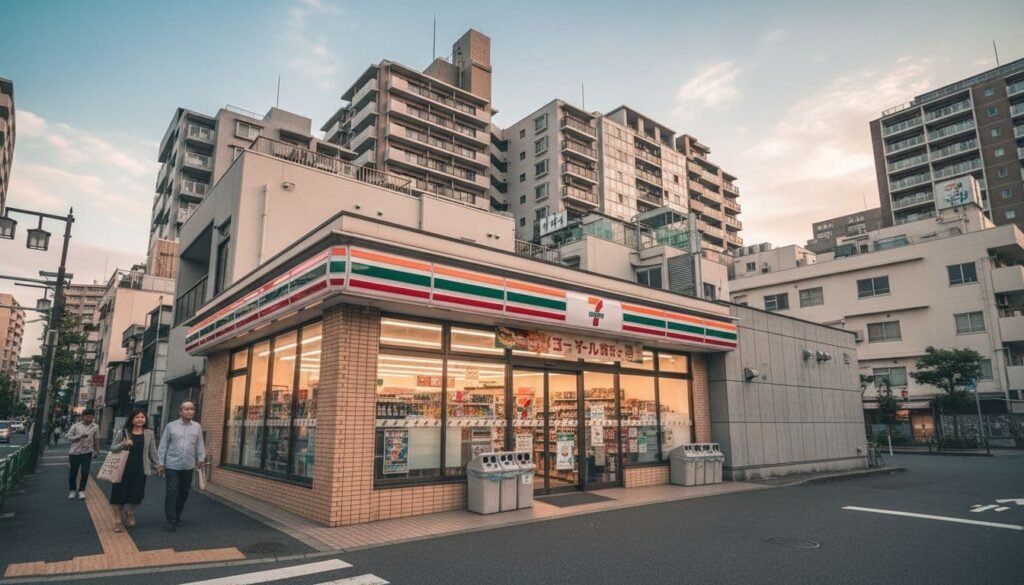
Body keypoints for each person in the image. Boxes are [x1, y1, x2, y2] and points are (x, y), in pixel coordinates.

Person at [156, 401, 206, 532]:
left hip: (188, 466)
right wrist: (160, 463)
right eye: (187, 409)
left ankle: (177, 515)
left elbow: (200, 445)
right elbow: (163, 446)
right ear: (180, 411)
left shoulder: (197, 427)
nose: (190, 411)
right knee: (172, 491)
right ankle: (171, 520)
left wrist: (201, 459)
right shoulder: (171, 426)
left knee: (184, 492)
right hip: (172, 465)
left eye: (192, 409)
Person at [109, 409, 159, 532]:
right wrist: (124, 444)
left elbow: (152, 451)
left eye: (142, 417)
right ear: (132, 419)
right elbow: (113, 448)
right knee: (118, 495)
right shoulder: (123, 432)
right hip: (122, 468)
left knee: (136, 495)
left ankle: (130, 512)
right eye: (137, 417)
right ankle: (117, 521)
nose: (140, 419)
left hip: (140, 468)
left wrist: (157, 465)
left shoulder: (149, 433)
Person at [66, 409, 100, 500]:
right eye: (87, 416)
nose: (90, 418)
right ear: (83, 416)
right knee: (74, 472)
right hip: (74, 452)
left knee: (85, 472)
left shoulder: (95, 427)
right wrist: (79, 437)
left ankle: (81, 491)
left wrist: (97, 451)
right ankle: (72, 490)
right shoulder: (75, 426)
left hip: (87, 452)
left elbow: (96, 439)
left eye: (91, 416)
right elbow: (68, 437)